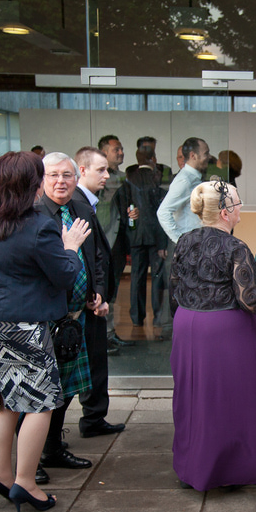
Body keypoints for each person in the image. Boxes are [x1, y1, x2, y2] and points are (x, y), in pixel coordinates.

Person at [0, 151, 88, 512]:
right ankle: (25, 483)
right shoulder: (39, 225)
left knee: (3, 402)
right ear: (32, 184)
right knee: (41, 404)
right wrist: (71, 248)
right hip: (24, 325)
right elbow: (64, 275)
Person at [168, 180, 256, 491]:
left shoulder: (185, 241)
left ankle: (192, 466)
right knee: (228, 399)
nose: (241, 205)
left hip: (186, 325)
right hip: (224, 332)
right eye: (237, 201)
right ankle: (227, 470)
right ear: (225, 211)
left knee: (192, 398)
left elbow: (174, 290)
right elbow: (252, 301)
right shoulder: (235, 248)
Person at [34, 152, 106, 481]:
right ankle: (30, 460)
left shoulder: (81, 209)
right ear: (41, 180)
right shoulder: (34, 216)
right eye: (53, 175)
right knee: (38, 391)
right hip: (44, 317)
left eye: (67, 175)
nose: (60, 181)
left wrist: (97, 291)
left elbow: (97, 256)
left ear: (76, 179)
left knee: (65, 391)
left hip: (77, 317)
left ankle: (52, 449)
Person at [73, 146, 127, 439]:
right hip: (87, 301)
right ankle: (88, 420)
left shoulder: (88, 202)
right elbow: (86, 256)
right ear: (82, 170)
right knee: (87, 362)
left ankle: (94, 418)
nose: (107, 175)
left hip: (93, 298)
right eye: (101, 169)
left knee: (95, 361)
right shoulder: (77, 204)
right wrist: (95, 295)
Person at [117, 145, 168, 333]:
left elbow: (124, 207)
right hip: (156, 237)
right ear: (153, 158)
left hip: (136, 236)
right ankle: (157, 318)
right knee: (157, 278)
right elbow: (162, 212)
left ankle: (137, 317)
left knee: (136, 278)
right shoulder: (158, 178)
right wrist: (163, 242)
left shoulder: (129, 178)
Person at [97, 134, 134, 353]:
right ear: (103, 153)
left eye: (121, 149)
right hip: (102, 240)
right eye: (116, 150)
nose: (121, 153)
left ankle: (110, 333)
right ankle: (102, 336)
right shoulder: (97, 178)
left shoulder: (123, 178)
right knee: (101, 290)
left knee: (113, 289)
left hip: (119, 241)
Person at [157, 137, 210, 244]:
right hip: (191, 245)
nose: (209, 157)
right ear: (193, 156)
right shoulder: (185, 180)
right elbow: (163, 212)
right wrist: (180, 241)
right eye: (206, 153)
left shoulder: (194, 178)